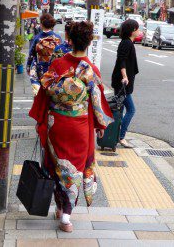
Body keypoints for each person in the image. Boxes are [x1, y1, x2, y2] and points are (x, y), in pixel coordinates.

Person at [29, 21, 113, 233]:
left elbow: (43, 94)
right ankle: (66, 216)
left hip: (56, 123)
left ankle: (59, 206)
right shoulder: (91, 70)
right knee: (74, 168)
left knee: (57, 166)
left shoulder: (57, 65)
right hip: (80, 126)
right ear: (89, 42)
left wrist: (42, 119)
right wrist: (100, 124)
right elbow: (96, 101)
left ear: (70, 40)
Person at [111, 19, 140, 148]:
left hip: (122, 82)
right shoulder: (127, 43)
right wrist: (125, 77)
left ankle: (116, 134)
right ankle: (121, 136)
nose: (139, 31)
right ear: (133, 30)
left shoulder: (128, 42)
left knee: (121, 109)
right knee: (131, 110)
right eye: (137, 28)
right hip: (122, 83)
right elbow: (122, 60)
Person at [26, 13, 62, 96]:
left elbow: (31, 54)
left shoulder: (37, 37)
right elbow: (60, 54)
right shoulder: (57, 38)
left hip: (39, 66)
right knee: (50, 91)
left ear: (41, 24)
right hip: (52, 67)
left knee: (38, 92)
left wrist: (28, 67)